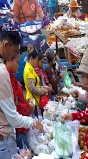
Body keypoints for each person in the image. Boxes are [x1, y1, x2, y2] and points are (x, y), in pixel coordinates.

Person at [0, 31, 43, 159]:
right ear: (6, 45)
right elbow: (13, 118)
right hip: (4, 137)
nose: (15, 55)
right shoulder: (2, 73)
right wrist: (33, 122)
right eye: (15, 52)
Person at [6, 54, 35, 149]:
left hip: (20, 123)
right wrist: (28, 107)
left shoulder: (12, 77)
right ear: (9, 62)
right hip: (18, 127)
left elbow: (18, 99)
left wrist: (25, 102)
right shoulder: (8, 79)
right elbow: (15, 106)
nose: (18, 65)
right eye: (17, 62)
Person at [24, 48, 52, 116]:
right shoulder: (29, 70)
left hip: (35, 99)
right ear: (31, 59)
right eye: (36, 61)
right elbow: (33, 88)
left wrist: (44, 87)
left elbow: (35, 85)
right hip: (33, 100)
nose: (37, 63)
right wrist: (43, 91)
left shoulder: (31, 68)